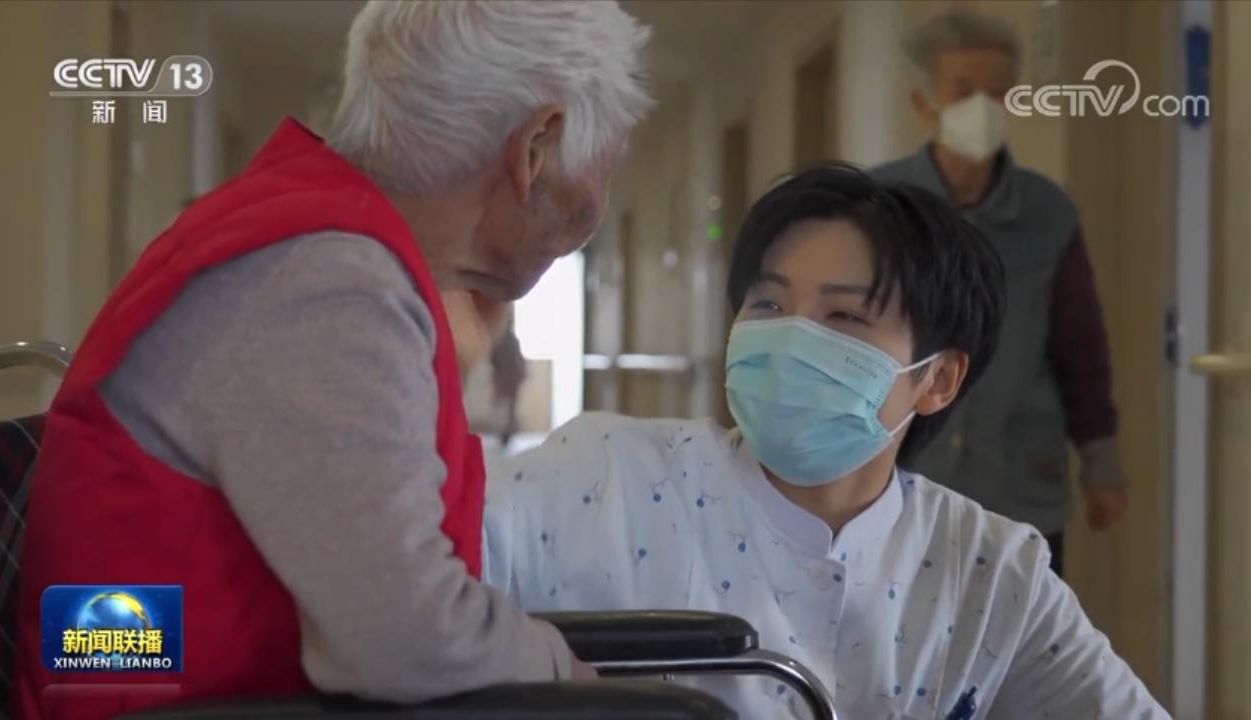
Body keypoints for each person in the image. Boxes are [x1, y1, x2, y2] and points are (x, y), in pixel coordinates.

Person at [12, 2, 650, 718]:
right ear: (537, 146)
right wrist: (572, 679)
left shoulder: (312, 240)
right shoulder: (326, 281)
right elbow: (406, 638)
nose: (598, 199)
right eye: (610, 159)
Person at [482, 164, 1167, 719]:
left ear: (937, 379)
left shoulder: (990, 573)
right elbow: (425, 597)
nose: (790, 341)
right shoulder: (598, 479)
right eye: (769, 304)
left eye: (844, 316)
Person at [868, 9, 1125, 576]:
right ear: (923, 103)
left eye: (999, 93)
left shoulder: (1047, 212)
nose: (983, 109)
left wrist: (1102, 466)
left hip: (1018, 483)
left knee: (1020, 627)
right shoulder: (876, 205)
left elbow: (1081, 347)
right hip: (899, 478)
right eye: (964, 92)